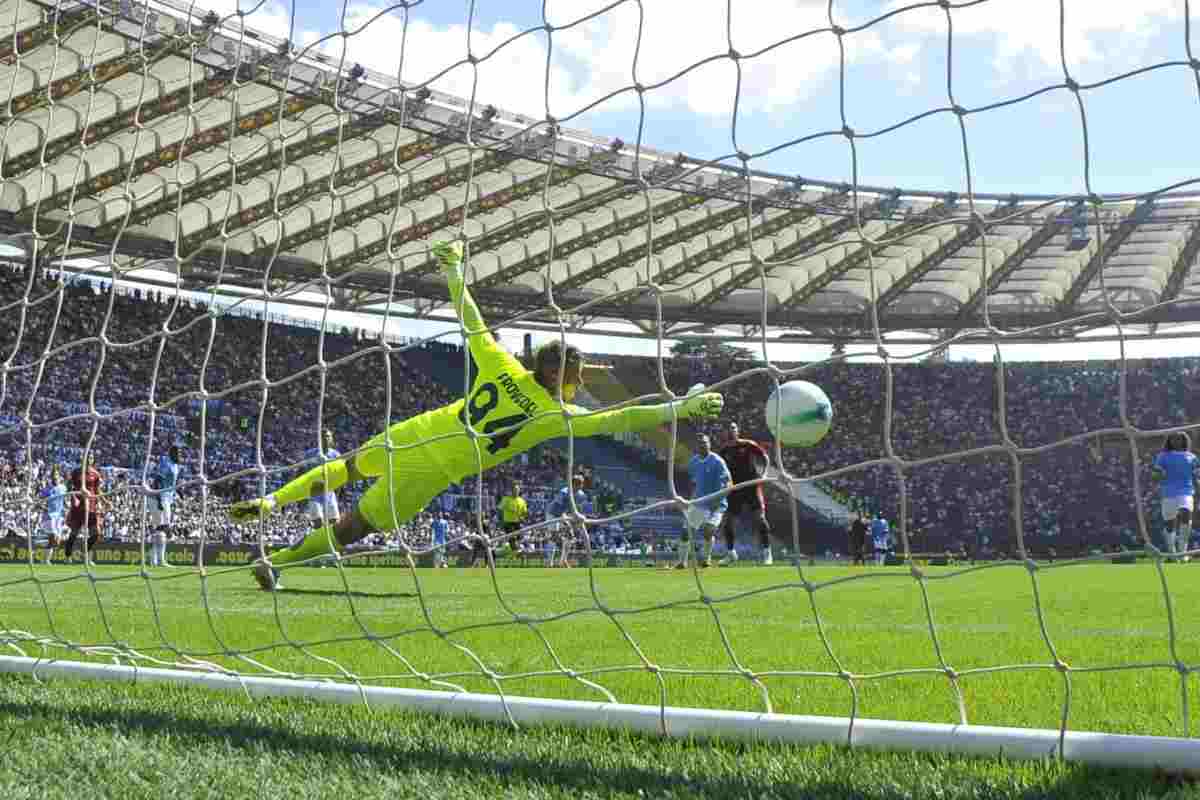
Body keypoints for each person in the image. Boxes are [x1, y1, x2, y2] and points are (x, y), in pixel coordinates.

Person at [229, 240, 725, 589]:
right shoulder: (557, 415)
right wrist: (682, 406)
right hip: (435, 472)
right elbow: (622, 420)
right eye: (577, 373)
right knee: (354, 527)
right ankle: (279, 561)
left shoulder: (499, 362)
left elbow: (471, 319)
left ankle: (274, 499)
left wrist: (454, 267)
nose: (579, 380)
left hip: (419, 431)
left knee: (348, 467)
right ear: (562, 375)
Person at [716, 421, 773, 566]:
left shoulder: (747, 444)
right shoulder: (723, 451)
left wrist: (764, 474)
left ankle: (767, 553)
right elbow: (720, 470)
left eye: (733, 428)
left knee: (760, 519)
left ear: (738, 430)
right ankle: (730, 554)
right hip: (734, 489)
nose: (730, 430)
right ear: (725, 433)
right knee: (728, 522)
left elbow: (765, 457)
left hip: (751, 487)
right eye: (728, 428)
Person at [676, 434, 731, 569]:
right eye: (700, 443)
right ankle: (682, 562)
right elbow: (692, 482)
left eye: (705, 442)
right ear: (696, 446)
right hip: (699, 503)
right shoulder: (693, 462)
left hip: (716, 504)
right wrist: (689, 499)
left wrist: (718, 501)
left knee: (708, 530)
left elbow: (729, 483)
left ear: (709, 444)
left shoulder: (718, 462)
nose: (702, 445)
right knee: (685, 532)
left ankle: (706, 559)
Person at [1152, 431, 1197, 562]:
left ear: (1184, 441)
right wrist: (1158, 474)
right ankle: (1172, 552)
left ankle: (1183, 552)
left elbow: (1197, 472)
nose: (1176, 441)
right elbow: (1156, 474)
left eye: (1179, 439)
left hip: (1186, 491)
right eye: (1173, 439)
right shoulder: (1163, 456)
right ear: (1169, 441)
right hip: (1168, 493)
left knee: (1186, 512)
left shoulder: (1191, 457)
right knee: (1169, 524)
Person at [65, 450, 104, 567]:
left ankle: (85, 554)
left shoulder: (96, 474)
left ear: (93, 460)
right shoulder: (76, 472)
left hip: (91, 506)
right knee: (74, 533)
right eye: (87, 457)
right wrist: (74, 497)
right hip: (78, 507)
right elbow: (68, 487)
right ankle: (67, 556)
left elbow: (98, 490)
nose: (88, 459)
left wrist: (104, 501)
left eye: (91, 458)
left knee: (96, 533)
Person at [148, 446, 181, 567]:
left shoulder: (176, 465)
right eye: (178, 452)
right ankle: (158, 559)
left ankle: (155, 558)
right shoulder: (165, 463)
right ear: (171, 453)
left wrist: (177, 495)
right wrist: (159, 500)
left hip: (167, 497)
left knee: (160, 529)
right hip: (159, 496)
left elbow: (172, 483)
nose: (180, 455)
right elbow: (157, 481)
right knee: (163, 528)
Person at [547, 473, 589, 568]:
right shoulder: (564, 492)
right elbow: (558, 507)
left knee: (570, 536)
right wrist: (566, 519)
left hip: (563, 514)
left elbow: (577, 508)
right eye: (578, 485)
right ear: (573, 484)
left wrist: (575, 518)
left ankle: (563, 561)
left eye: (581, 484)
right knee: (554, 537)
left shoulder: (581, 495)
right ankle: (550, 563)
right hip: (553, 514)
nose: (579, 487)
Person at [304, 430, 341, 529]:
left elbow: (340, 474)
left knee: (335, 522)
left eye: (328, 436)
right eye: (324, 436)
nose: (326, 438)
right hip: (314, 491)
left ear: (332, 439)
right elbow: (301, 472)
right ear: (319, 439)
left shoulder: (336, 455)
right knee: (318, 523)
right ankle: (318, 541)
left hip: (329, 491)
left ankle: (329, 542)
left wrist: (339, 492)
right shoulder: (310, 454)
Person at [39, 465, 67, 565]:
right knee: (54, 538)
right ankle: (46, 559)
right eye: (53, 476)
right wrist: (45, 508)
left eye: (56, 475)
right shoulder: (46, 489)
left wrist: (67, 508)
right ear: (51, 478)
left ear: (59, 477)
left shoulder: (63, 488)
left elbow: (64, 501)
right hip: (49, 517)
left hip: (58, 518)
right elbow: (40, 503)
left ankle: (44, 557)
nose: (55, 477)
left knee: (56, 542)